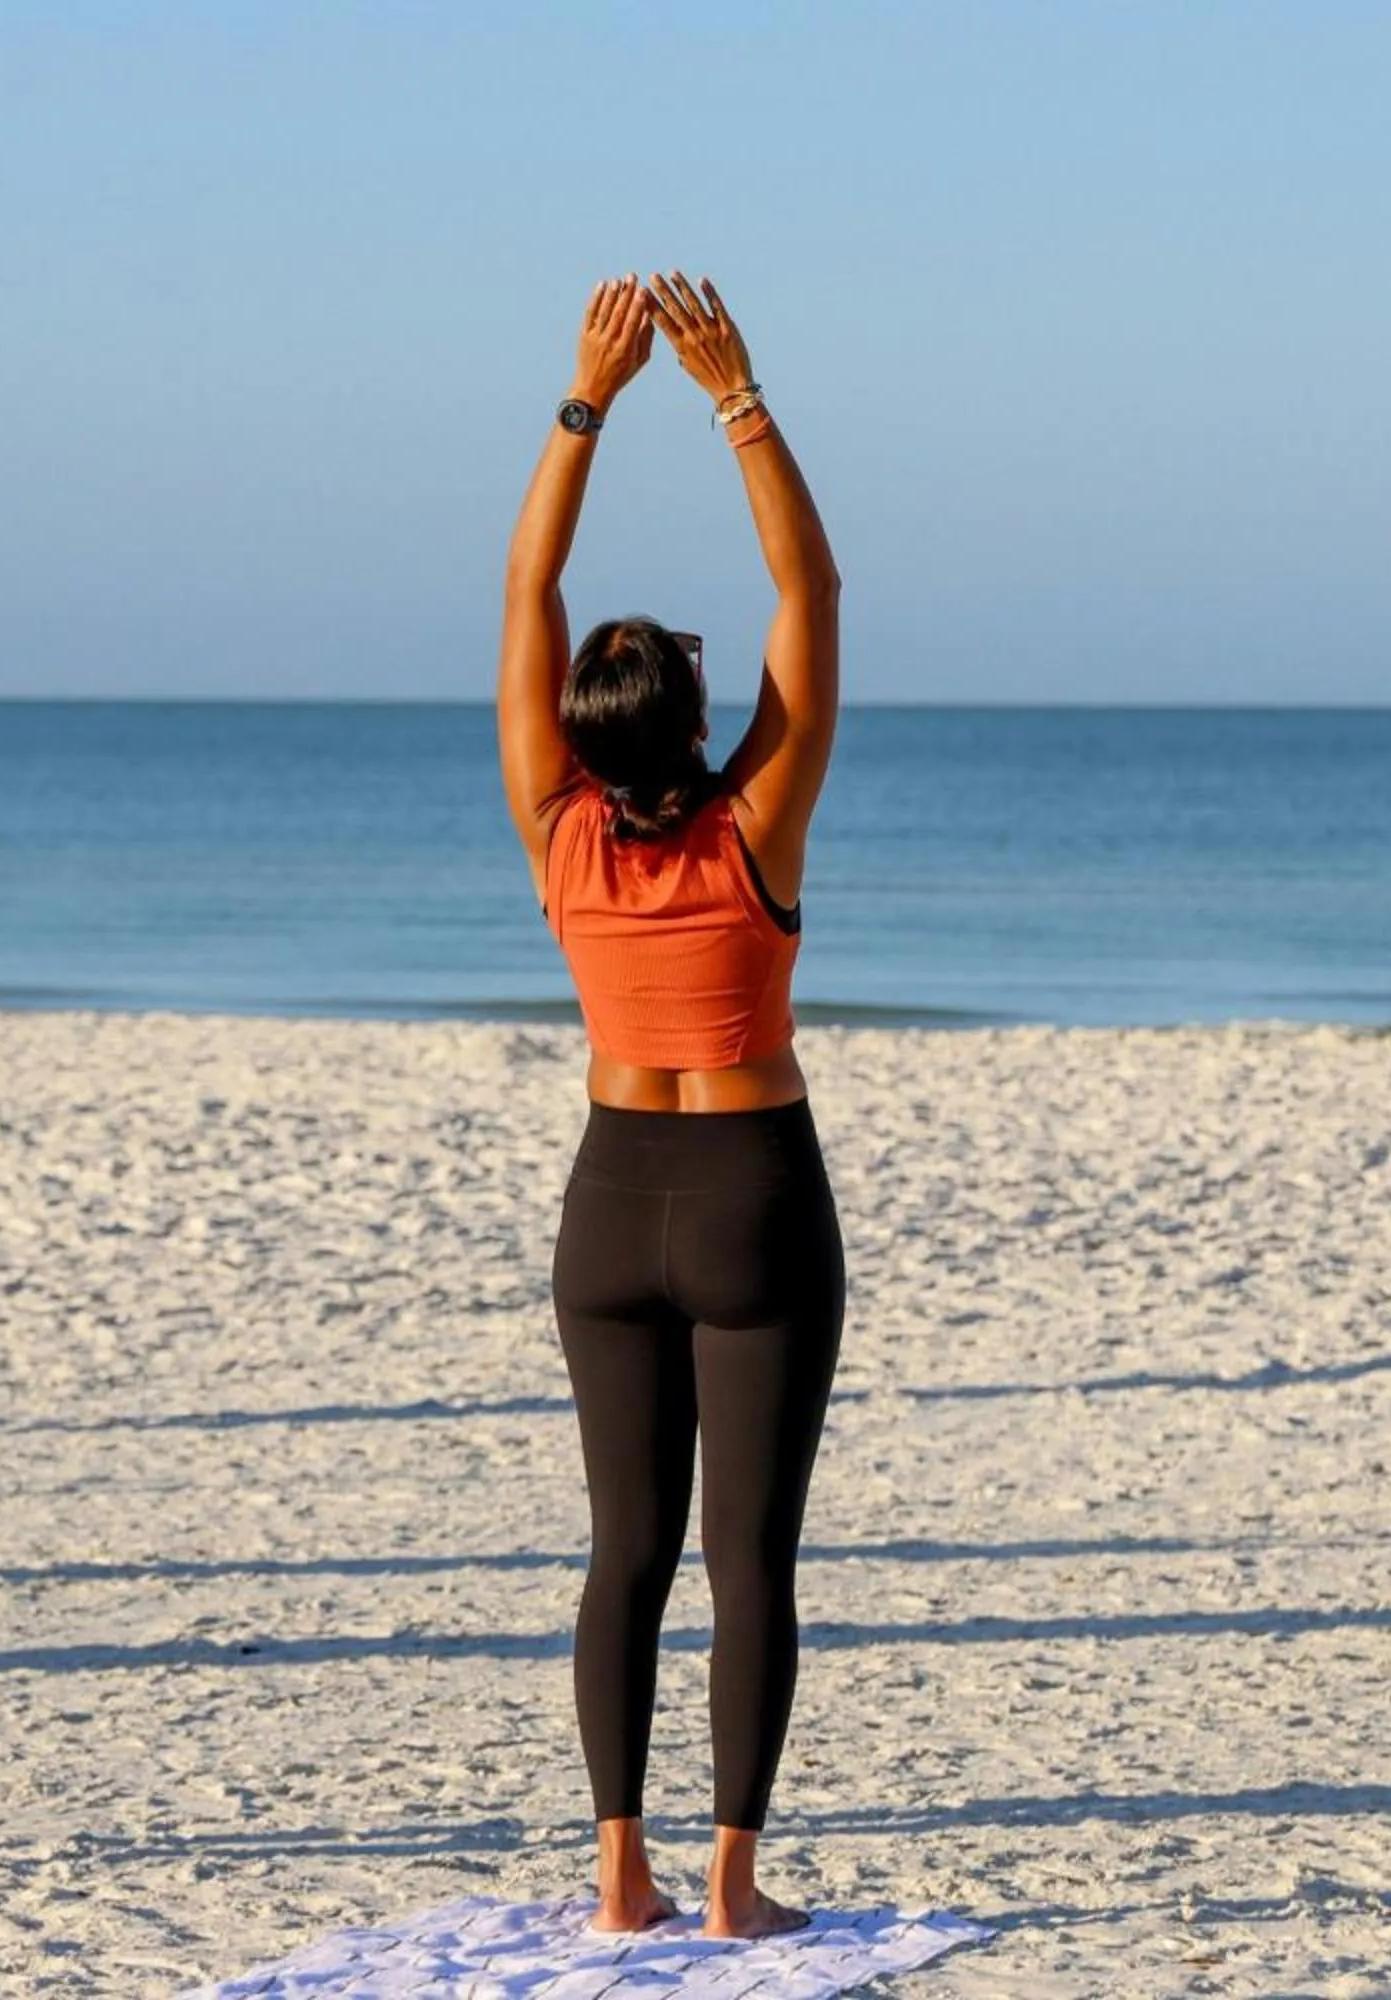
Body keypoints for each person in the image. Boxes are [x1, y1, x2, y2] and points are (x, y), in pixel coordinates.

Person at [495, 275, 846, 1938]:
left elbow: (526, 581)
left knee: (624, 1549)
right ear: (702, 726)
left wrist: (587, 397)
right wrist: (737, 398)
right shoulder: (754, 827)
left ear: (577, 725)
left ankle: (617, 1870)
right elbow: (812, 584)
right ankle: (730, 1885)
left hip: (610, 1198)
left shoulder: (558, 829)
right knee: (747, 1559)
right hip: (749, 1192)